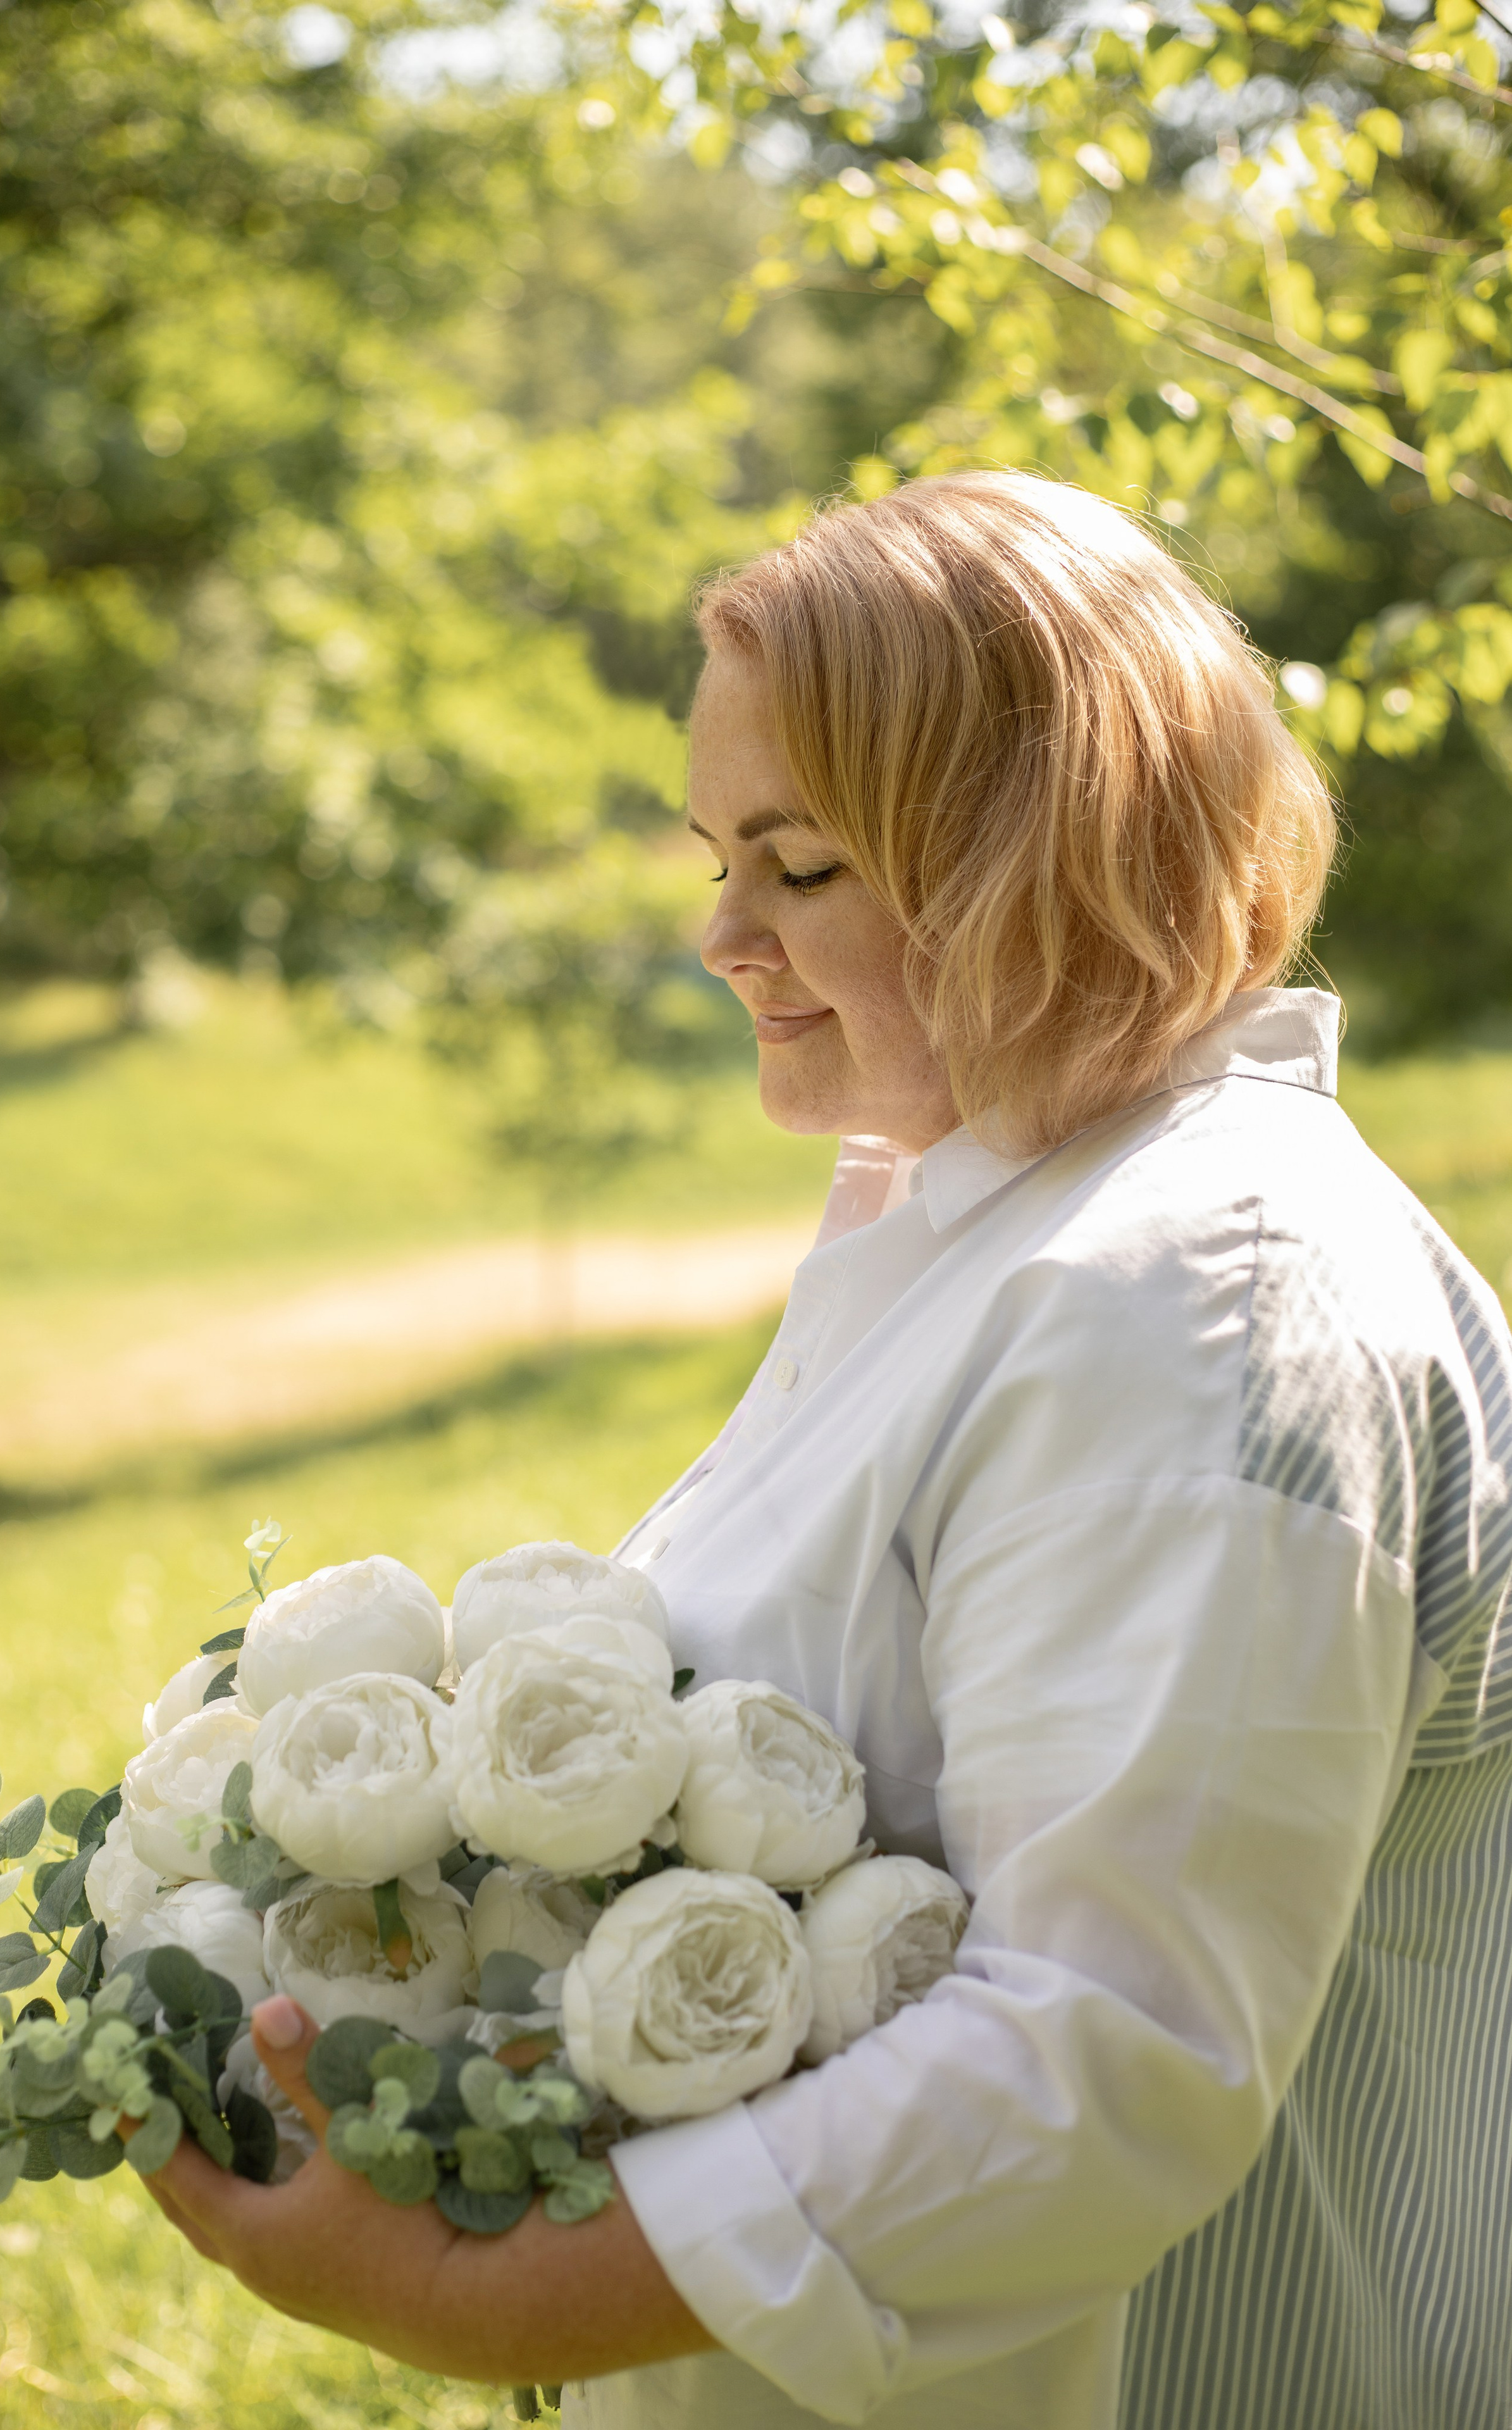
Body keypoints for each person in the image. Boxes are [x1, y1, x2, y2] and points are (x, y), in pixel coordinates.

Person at [134, 473, 1512, 2430]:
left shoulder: (1196, 1296)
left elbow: (1103, 2058)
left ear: (1044, 849)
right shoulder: (979, 1219)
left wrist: (489, 2294)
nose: (720, 934)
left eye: (796, 866)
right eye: (715, 856)